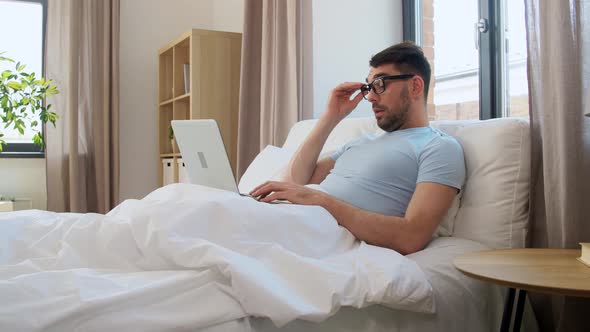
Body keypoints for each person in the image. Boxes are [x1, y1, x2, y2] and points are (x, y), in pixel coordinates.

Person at [250, 42, 465, 255]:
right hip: (292, 219)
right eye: (369, 88)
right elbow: (295, 181)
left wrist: (322, 202)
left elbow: (411, 237)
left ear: (415, 86)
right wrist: (331, 117)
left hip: (322, 234)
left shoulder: (439, 147)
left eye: (380, 84)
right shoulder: (361, 142)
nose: (370, 97)